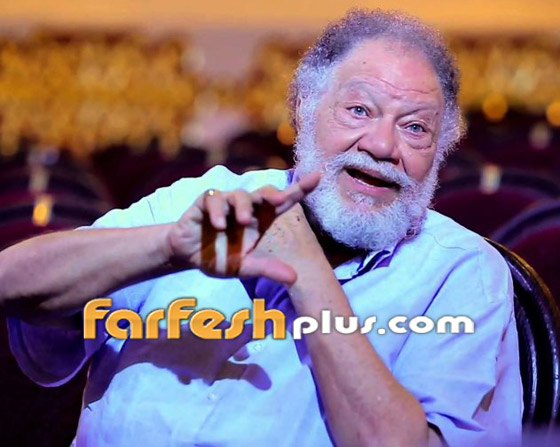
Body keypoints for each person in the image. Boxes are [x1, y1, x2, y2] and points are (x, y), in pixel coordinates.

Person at [0, 9, 522, 447]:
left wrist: (307, 272)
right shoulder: (205, 199)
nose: (383, 145)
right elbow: (12, 283)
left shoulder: (462, 272)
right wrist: (167, 246)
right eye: (359, 110)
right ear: (305, 109)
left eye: (415, 127)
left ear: (441, 150)